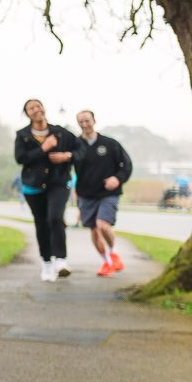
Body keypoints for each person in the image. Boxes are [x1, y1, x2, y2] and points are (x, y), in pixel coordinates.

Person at [14, 99, 80, 281]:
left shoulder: (60, 132)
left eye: (38, 106)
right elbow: (20, 158)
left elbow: (80, 150)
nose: (35, 110)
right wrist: (43, 148)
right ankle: (46, 263)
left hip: (58, 182)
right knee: (41, 223)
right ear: (27, 113)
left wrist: (68, 156)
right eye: (30, 108)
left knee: (55, 218)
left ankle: (61, 260)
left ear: (43, 108)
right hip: (33, 185)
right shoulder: (23, 135)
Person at [72, 110, 133, 276]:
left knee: (103, 225)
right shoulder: (75, 145)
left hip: (108, 193)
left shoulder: (110, 143)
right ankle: (106, 263)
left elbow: (126, 165)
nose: (85, 124)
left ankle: (114, 254)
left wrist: (117, 179)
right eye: (81, 122)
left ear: (94, 120)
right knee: (93, 230)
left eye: (87, 120)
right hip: (86, 194)